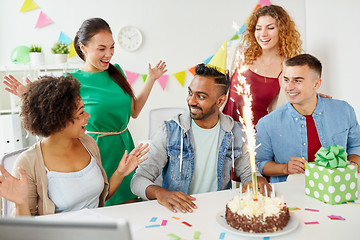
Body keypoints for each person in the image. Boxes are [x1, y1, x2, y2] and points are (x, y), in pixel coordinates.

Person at [3, 18, 167, 206]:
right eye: (102, 48)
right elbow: (53, 114)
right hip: (96, 150)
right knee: (100, 205)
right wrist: (30, 96)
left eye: (112, 47)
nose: (109, 54)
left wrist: (152, 79)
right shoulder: (71, 80)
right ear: (83, 48)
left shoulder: (117, 72)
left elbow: (135, 111)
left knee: (130, 205)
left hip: (124, 147)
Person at [131, 63, 271, 214]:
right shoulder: (169, 131)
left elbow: (249, 173)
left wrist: (257, 179)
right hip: (177, 213)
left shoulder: (236, 133)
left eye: (201, 96)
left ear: (220, 101)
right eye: (190, 93)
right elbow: (138, 181)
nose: (191, 101)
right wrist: (160, 193)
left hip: (216, 212)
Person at [0, 75, 149, 216]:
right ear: (58, 122)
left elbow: (98, 199)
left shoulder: (88, 143)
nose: (88, 116)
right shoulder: (28, 163)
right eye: (81, 113)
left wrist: (120, 173)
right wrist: (20, 203)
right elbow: (25, 230)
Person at [255, 54, 360, 183]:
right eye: (286, 80)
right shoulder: (267, 123)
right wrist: (286, 168)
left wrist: (353, 164)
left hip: (337, 190)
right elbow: (262, 163)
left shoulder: (344, 111)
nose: (289, 87)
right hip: (291, 196)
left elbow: (356, 146)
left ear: (316, 84)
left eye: (298, 81)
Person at [223, 5, 303, 126]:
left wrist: (312, 97)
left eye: (270, 28)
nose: (263, 34)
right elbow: (216, 86)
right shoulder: (238, 54)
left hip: (256, 136)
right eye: (258, 28)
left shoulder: (288, 68)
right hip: (224, 130)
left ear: (282, 30)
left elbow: (293, 102)